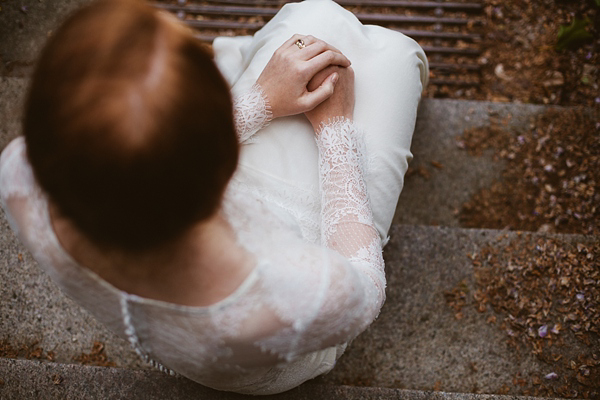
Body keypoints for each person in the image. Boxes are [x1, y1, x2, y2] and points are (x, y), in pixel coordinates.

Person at [0, 0, 427, 395]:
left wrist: (262, 100)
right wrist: (335, 130)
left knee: (317, 18)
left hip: (193, 278)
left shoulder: (21, 180)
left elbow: (142, 180)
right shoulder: (293, 291)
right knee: (395, 56)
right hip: (280, 335)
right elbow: (365, 287)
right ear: (221, 156)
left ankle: (242, 61)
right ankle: (243, 60)